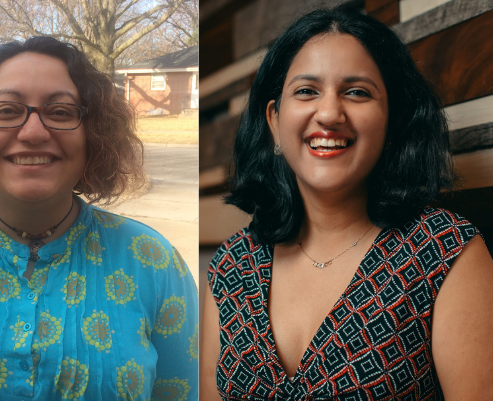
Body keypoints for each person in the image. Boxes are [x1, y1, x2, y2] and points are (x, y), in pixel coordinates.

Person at [201, 4, 493, 400]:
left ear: (392, 120)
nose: (329, 113)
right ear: (274, 121)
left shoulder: (445, 252)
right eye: (306, 91)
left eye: (356, 92)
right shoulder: (232, 265)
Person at [0, 36, 199, 400]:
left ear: (93, 135)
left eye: (61, 112)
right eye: (6, 111)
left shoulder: (154, 263)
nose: (33, 132)